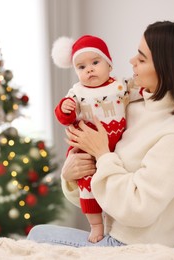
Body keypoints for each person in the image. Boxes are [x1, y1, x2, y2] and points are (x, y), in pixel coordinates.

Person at [27, 20, 174, 248]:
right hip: (112, 234)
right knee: (38, 233)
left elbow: (137, 209)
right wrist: (71, 175)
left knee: (38, 238)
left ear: (169, 68)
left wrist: (102, 153)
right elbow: (103, 196)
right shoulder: (133, 108)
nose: (131, 61)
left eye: (142, 58)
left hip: (138, 248)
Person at [51, 35, 132, 243]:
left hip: (112, 147)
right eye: (81, 66)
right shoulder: (77, 92)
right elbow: (63, 116)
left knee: (111, 181)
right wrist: (65, 109)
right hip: (86, 149)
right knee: (88, 185)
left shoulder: (120, 86)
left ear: (109, 65)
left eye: (95, 62)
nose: (89, 70)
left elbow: (140, 92)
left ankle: (110, 223)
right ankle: (96, 224)